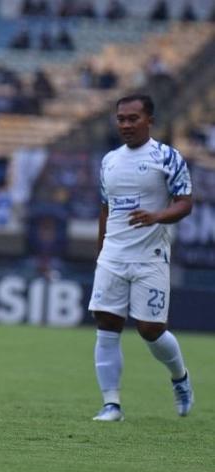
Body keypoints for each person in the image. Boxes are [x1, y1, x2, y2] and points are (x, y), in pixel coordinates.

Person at [89, 94, 194, 422]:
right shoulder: (109, 161)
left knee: (150, 330)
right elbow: (105, 209)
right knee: (106, 324)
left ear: (149, 120)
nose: (125, 124)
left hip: (151, 256)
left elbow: (185, 202)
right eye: (121, 118)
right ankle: (111, 404)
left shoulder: (168, 157)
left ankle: (180, 378)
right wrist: (101, 250)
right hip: (113, 256)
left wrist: (157, 216)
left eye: (133, 118)